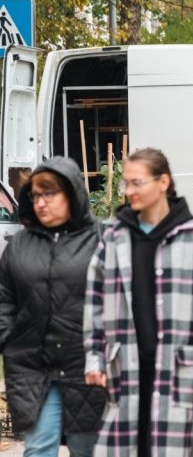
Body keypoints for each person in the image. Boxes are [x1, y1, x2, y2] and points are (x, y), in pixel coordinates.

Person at [84, 148, 193, 455]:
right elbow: (94, 301)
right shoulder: (114, 236)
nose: (129, 191)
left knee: (170, 448)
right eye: (126, 184)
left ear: (163, 182)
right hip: (124, 364)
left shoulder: (190, 237)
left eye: (137, 183)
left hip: (177, 364)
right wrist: (94, 357)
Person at [0, 158, 106, 456]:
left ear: (72, 194)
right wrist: (9, 341)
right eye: (35, 195)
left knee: (87, 450)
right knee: (38, 449)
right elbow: (4, 298)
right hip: (34, 368)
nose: (41, 203)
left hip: (87, 370)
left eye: (50, 194)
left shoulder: (102, 239)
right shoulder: (19, 244)